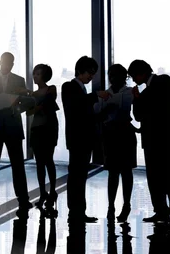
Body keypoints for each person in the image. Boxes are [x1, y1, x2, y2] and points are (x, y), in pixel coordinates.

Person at [128, 59, 170, 223]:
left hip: (160, 137)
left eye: (133, 76)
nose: (134, 80)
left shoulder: (161, 82)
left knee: (161, 174)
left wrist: (138, 98)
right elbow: (139, 115)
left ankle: (167, 210)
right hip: (160, 137)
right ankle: (168, 210)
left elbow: (146, 110)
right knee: (161, 174)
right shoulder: (153, 88)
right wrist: (138, 99)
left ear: (141, 73)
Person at [0, 52, 32, 211]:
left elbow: (27, 101)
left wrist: (16, 106)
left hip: (12, 124)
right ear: (0, 62)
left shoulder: (19, 80)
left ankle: (23, 199)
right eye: (5, 62)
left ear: (13, 64)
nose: (7, 65)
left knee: (17, 165)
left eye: (10, 63)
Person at [61, 56, 107, 223]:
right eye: (90, 72)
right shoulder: (69, 87)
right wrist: (96, 96)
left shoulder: (81, 91)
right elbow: (77, 106)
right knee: (76, 177)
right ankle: (76, 211)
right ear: (80, 70)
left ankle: (78, 211)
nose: (91, 76)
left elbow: (85, 114)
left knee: (79, 177)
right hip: (77, 139)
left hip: (83, 139)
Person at [95, 64, 137, 223]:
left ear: (124, 77)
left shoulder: (129, 92)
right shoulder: (106, 94)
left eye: (116, 75)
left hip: (124, 132)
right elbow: (97, 113)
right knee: (113, 172)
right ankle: (111, 206)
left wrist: (108, 107)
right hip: (111, 133)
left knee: (126, 171)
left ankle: (126, 205)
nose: (113, 78)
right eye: (111, 75)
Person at [23, 64, 59, 209]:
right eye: (34, 74)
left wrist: (30, 97)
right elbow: (27, 112)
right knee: (39, 162)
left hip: (48, 128)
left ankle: (52, 191)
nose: (35, 76)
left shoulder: (51, 89)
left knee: (48, 160)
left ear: (44, 76)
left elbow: (46, 101)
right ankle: (43, 192)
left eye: (38, 74)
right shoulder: (33, 95)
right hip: (37, 128)